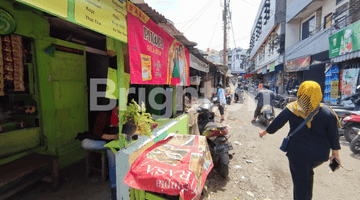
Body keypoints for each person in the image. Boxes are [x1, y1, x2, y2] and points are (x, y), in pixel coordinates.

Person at [259, 81, 342, 200]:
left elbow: (276, 124)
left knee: (300, 184)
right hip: (319, 156)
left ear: (301, 92)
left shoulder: (293, 108)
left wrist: (264, 132)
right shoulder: (328, 112)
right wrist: (335, 154)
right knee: (306, 177)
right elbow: (334, 135)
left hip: (297, 154)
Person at [81, 104, 120, 200]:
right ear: (114, 107)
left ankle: (114, 187)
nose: (120, 110)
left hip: (115, 142)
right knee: (84, 143)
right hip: (103, 140)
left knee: (112, 155)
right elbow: (98, 132)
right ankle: (108, 146)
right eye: (118, 108)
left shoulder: (125, 115)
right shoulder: (104, 115)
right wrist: (113, 137)